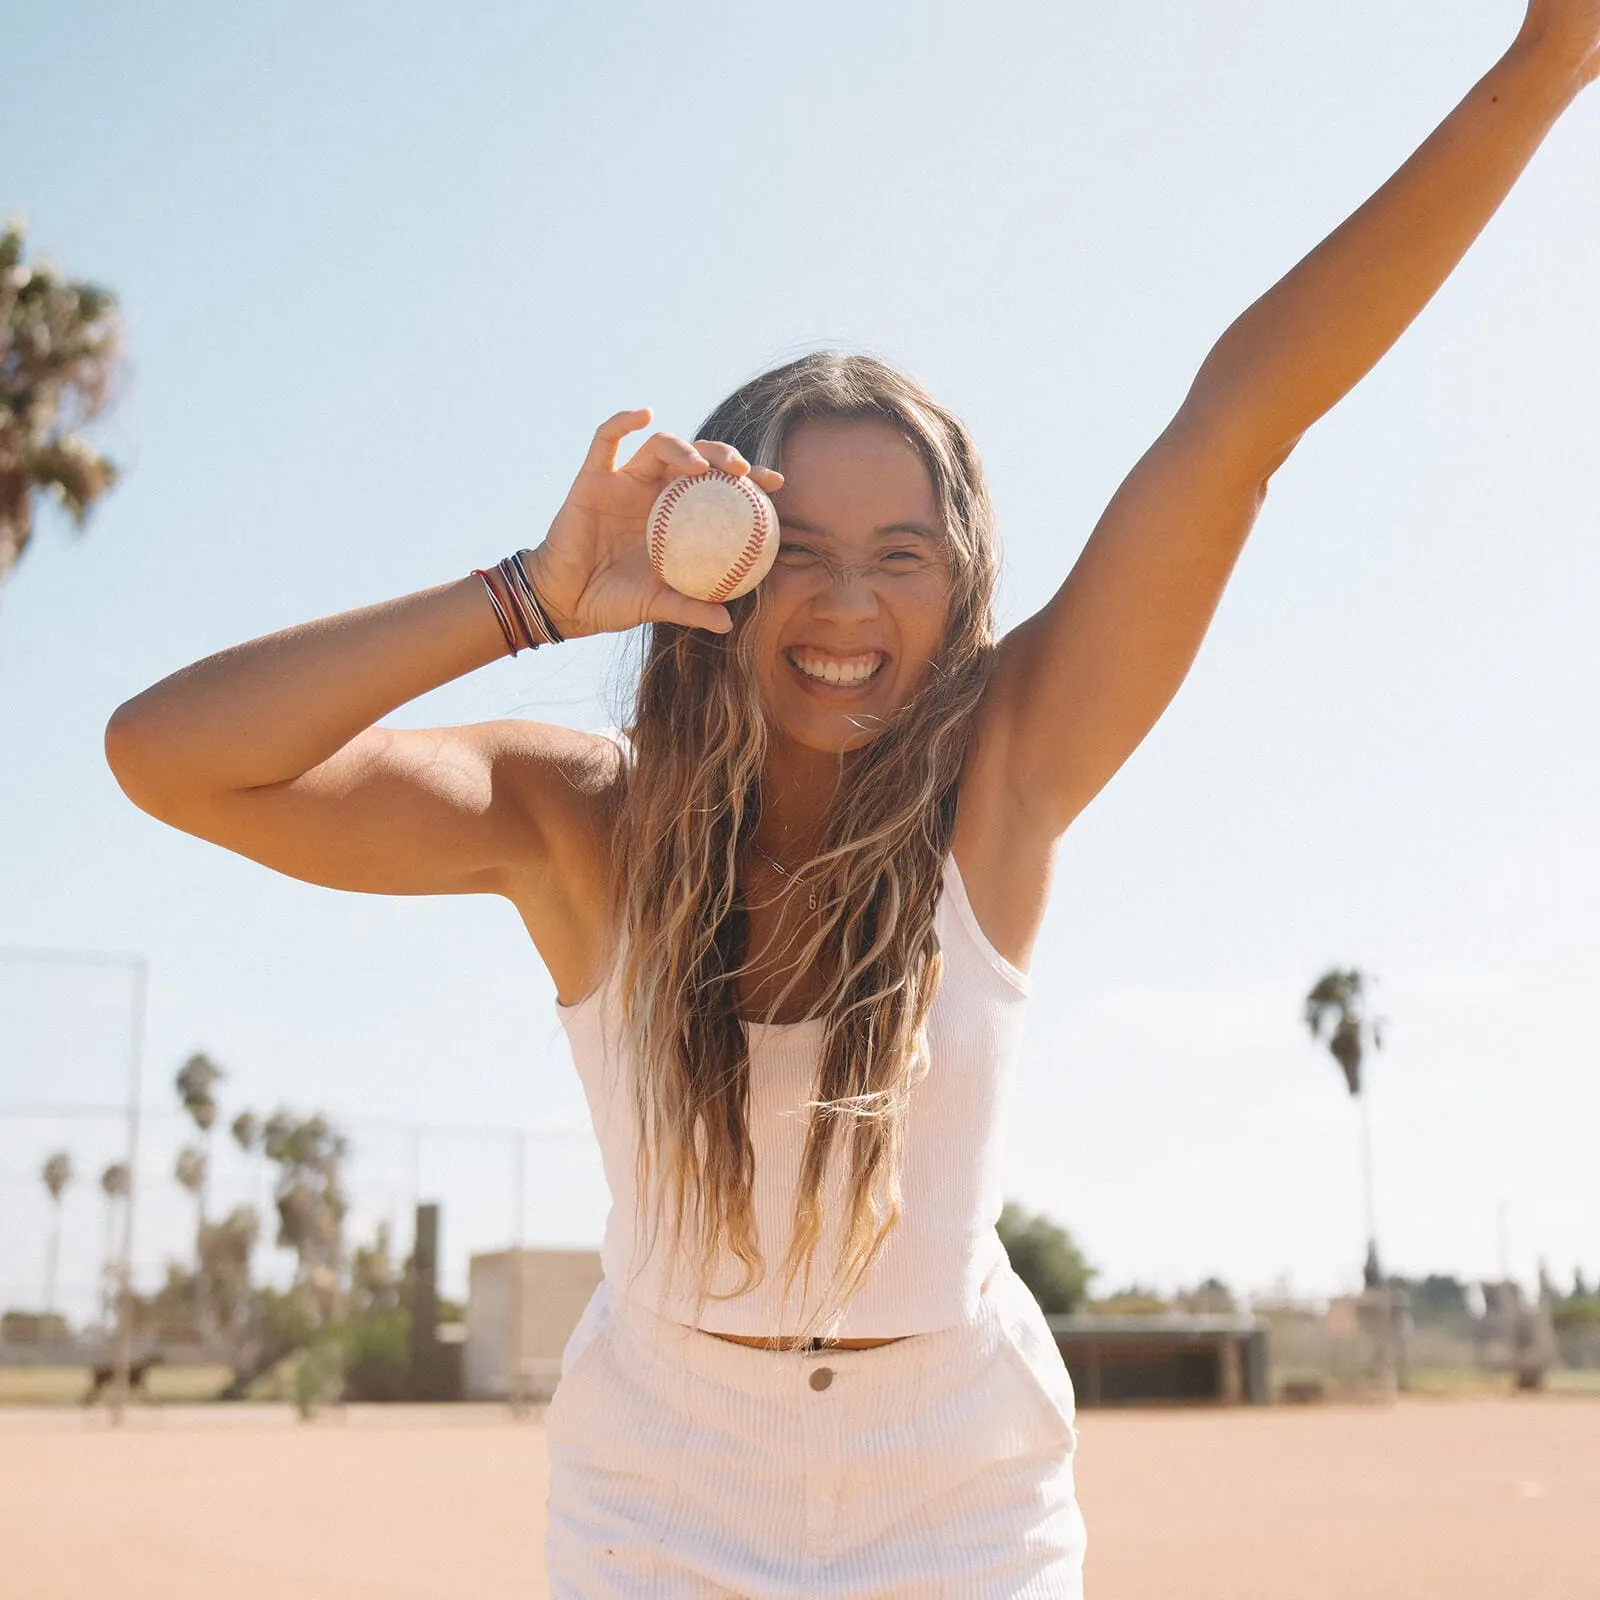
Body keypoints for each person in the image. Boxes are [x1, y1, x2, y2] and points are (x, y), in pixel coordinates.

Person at [105, 8, 1597, 1594]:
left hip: (954, 1486)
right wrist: (531, 596)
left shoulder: (1005, 774)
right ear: (715, 567)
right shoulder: (576, 821)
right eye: (795, 550)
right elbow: (172, 755)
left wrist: (1544, 68)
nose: (849, 605)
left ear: (960, 592)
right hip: (658, 1485)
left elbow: (1238, 429)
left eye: (903, 557)